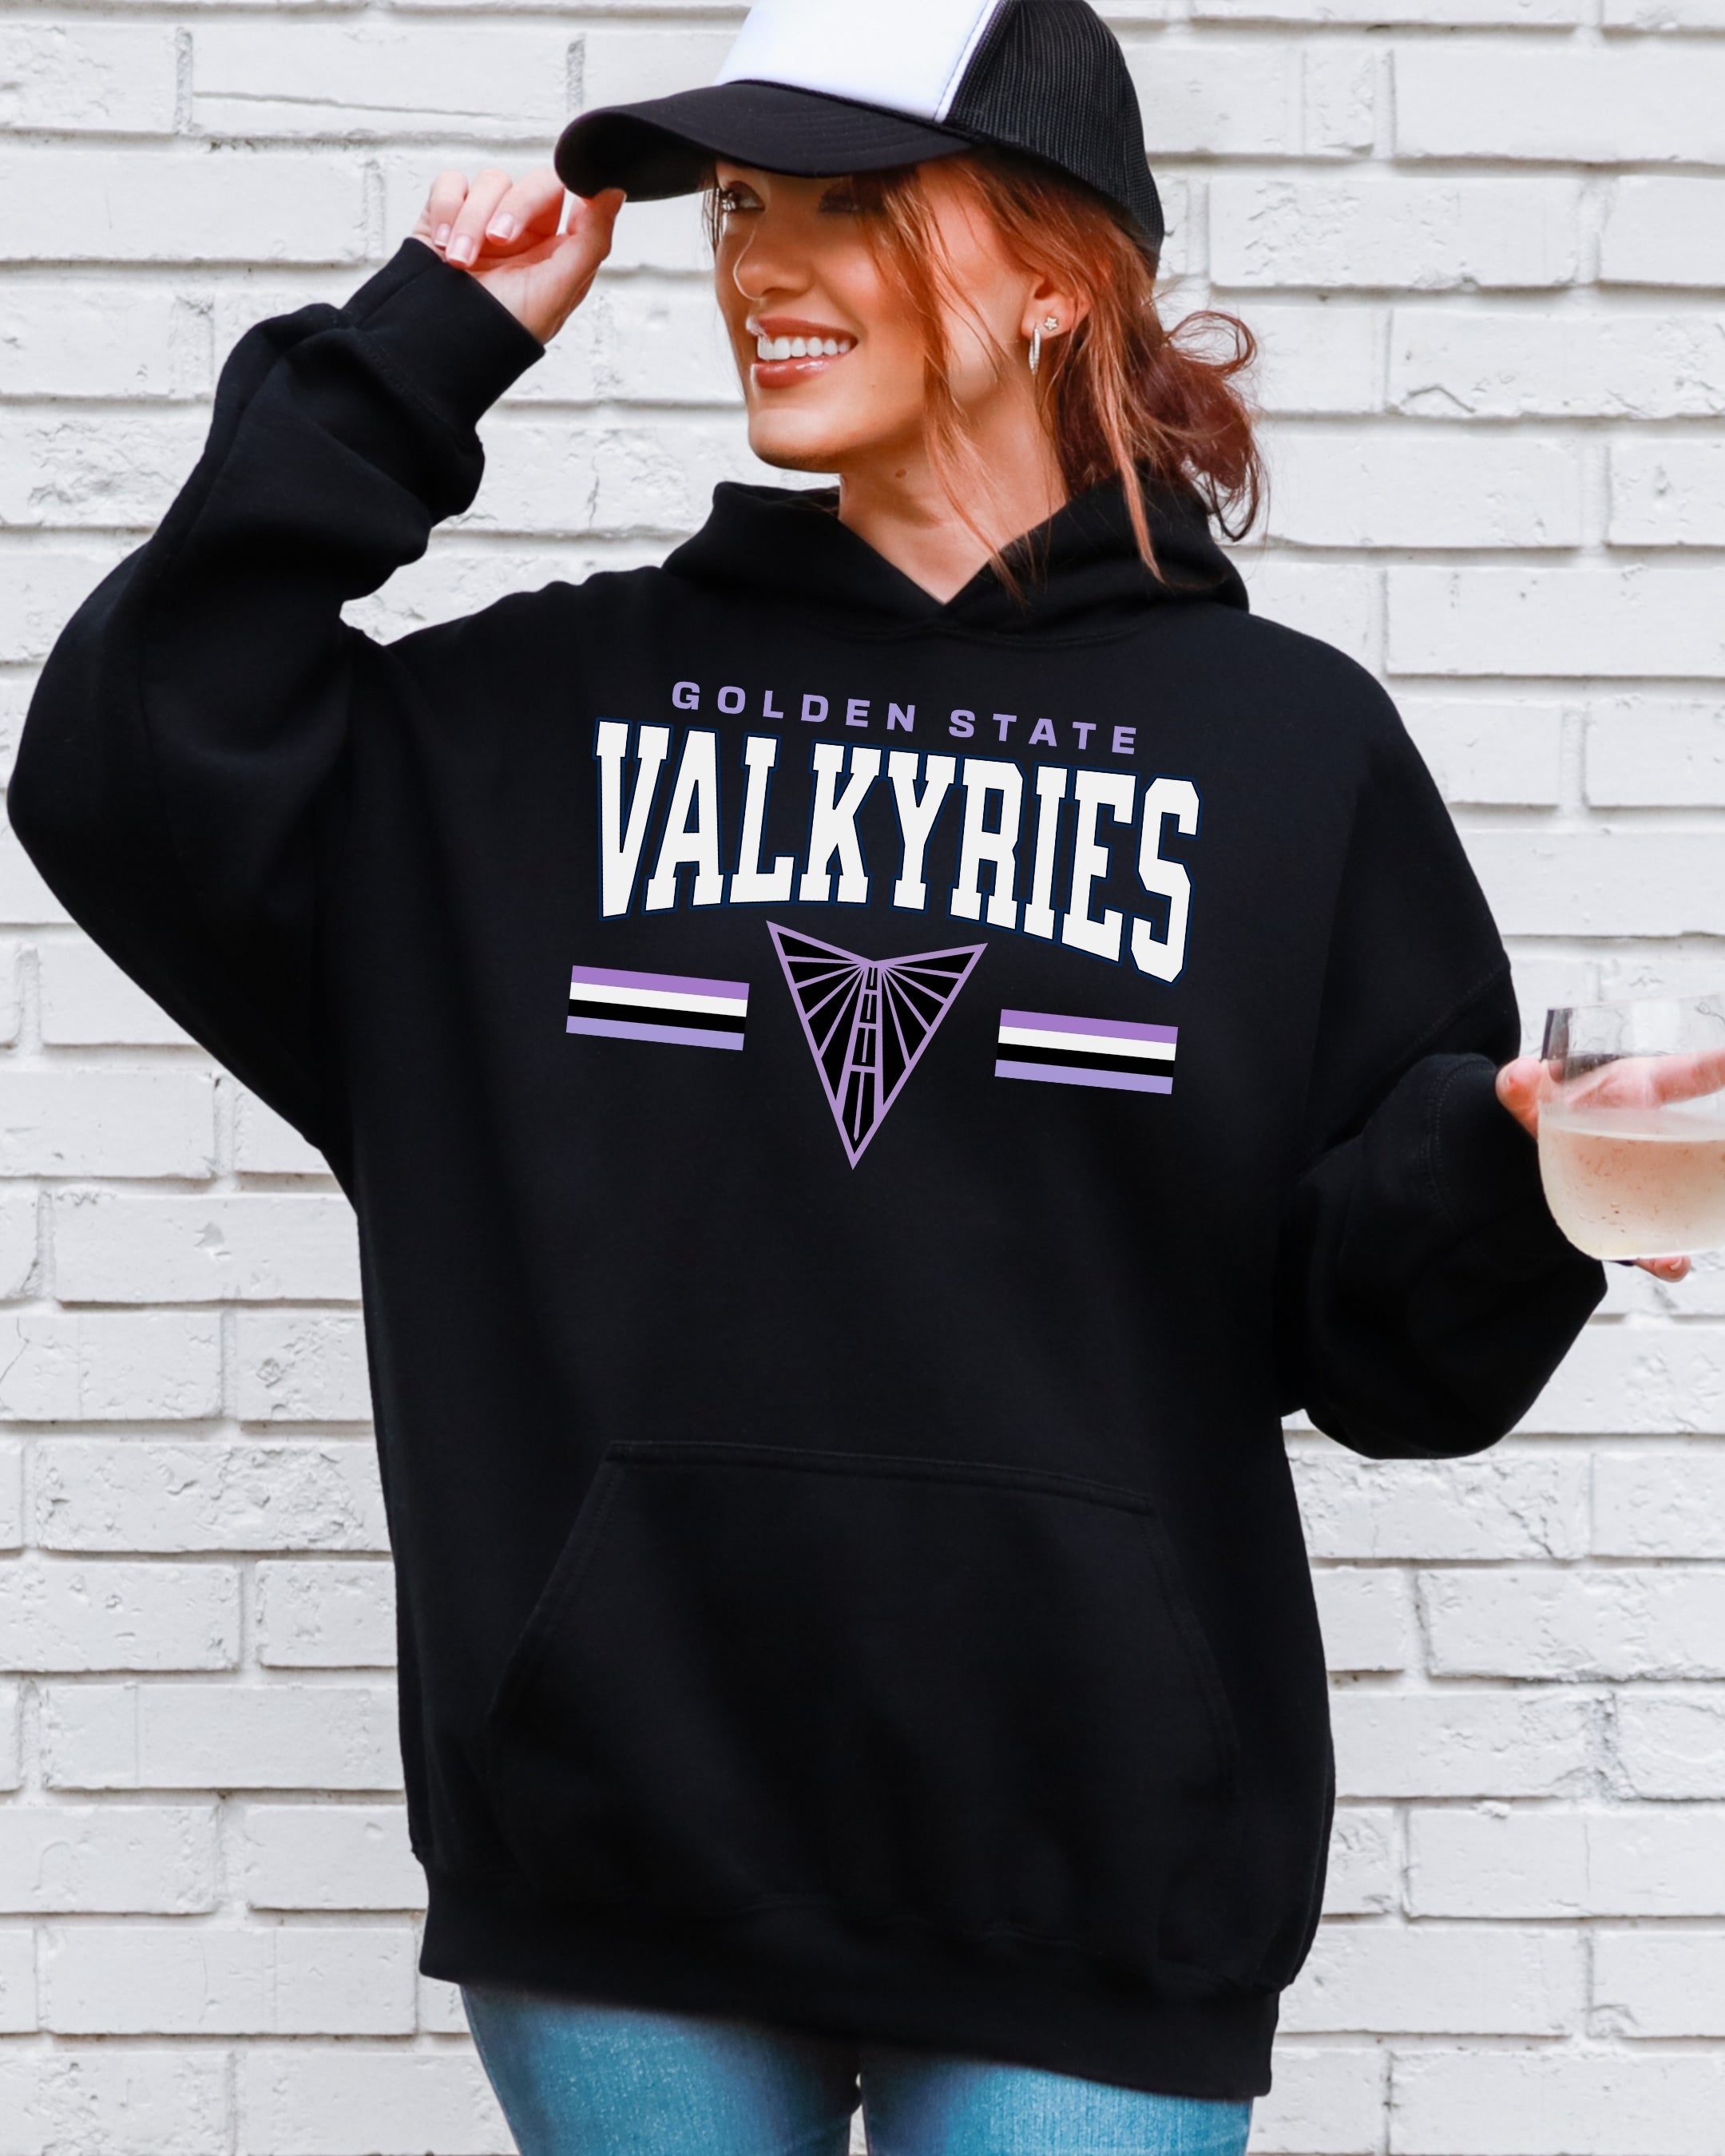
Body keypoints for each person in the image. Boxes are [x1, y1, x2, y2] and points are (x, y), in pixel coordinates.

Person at [7, 2, 1663, 2150]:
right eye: (742, 207)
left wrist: (1517, 1169)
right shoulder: (533, 726)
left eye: (856, 205)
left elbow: (1386, 1355)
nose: (766, 267)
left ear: (1058, 274)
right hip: (627, 1856)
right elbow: (134, 752)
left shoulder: (1290, 748)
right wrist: (417, 352)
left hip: (1097, 1877)